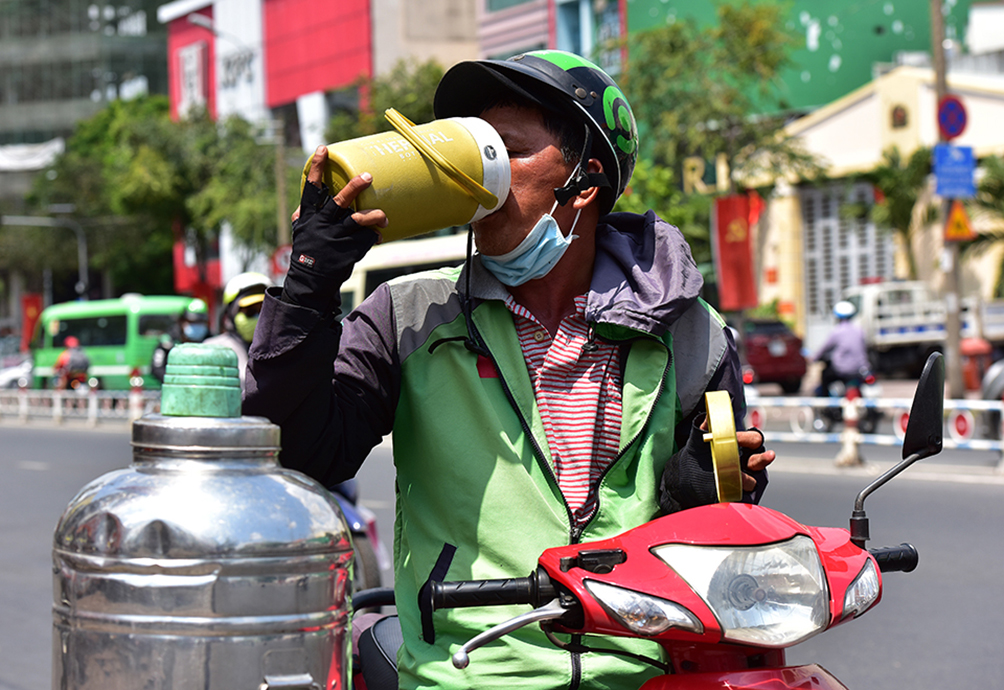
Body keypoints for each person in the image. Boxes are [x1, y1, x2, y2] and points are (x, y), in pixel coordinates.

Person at [244, 50, 775, 690]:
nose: (482, 179)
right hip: (462, 673)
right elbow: (297, 455)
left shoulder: (689, 333)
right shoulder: (407, 316)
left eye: (508, 153)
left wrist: (699, 499)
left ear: (584, 179)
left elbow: (710, 547)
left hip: (639, 674)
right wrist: (308, 285)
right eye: (475, 151)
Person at [205, 272, 272, 386]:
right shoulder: (211, 350)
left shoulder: (283, 350)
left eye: (264, 311)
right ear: (230, 314)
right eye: (250, 311)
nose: (258, 317)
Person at [813, 300, 871, 395]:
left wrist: (814, 359)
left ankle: (825, 402)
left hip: (840, 370)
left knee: (825, 375)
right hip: (860, 369)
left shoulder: (837, 331)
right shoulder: (859, 330)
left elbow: (824, 348)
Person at [150, 298, 210, 383]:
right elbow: (156, 367)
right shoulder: (169, 341)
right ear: (182, 321)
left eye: (201, 322)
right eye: (192, 322)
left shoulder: (210, 341)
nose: (196, 326)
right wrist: (176, 382)